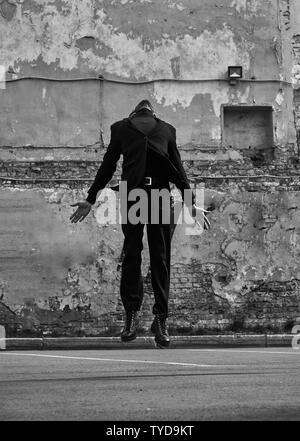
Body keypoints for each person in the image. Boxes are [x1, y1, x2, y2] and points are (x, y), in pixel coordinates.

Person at [70, 100, 210, 348]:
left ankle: (150, 318)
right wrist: (190, 203)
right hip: (146, 197)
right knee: (153, 257)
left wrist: (91, 199)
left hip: (142, 197)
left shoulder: (149, 129)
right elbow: (178, 169)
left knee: (142, 255)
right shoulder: (136, 129)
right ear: (151, 114)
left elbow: (110, 166)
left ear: (133, 113)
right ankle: (142, 317)